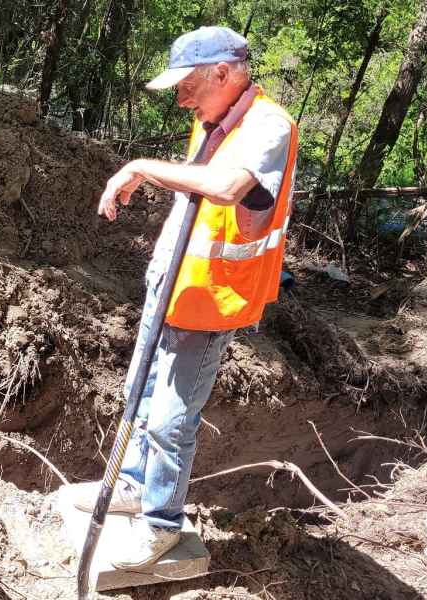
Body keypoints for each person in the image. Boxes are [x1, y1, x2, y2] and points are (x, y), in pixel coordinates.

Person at [75, 26, 299, 568]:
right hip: (173, 282)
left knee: (172, 418)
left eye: (187, 85)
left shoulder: (268, 124)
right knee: (140, 392)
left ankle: (161, 523)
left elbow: (224, 187)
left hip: (211, 298)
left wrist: (138, 167)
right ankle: (132, 486)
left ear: (224, 73)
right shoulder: (214, 119)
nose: (181, 98)